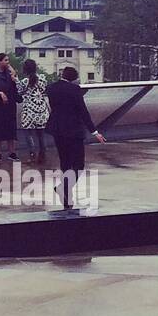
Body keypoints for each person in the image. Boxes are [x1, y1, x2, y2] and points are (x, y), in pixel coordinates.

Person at [46, 65, 106, 210]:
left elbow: (53, 107)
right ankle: (64, 188)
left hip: (57, 129)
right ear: (73, 78)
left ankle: (65, 193)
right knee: (78, 165)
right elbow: (83, 112)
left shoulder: (51, 88)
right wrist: (94, 132)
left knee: (65, 163)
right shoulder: (75, 90)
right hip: (73, 131)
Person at [18, 58, 50, 164]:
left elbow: (20, 91)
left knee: (28, 134)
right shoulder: (42, 79)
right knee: (41, 135)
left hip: (29, 111)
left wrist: (15, 80)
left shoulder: (25, 81)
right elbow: (45, 91)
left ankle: (32, 155)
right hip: (42, 110)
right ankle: (43, 155)